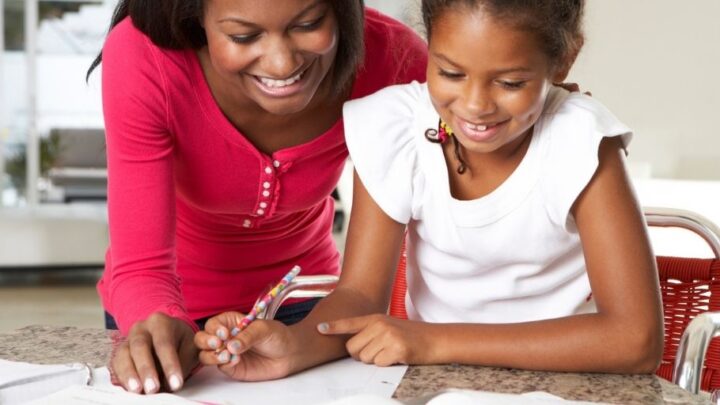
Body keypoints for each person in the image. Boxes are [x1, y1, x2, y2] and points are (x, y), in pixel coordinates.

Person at [195, 0, 664, 379]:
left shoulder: (579, 143)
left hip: (567, 383)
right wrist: (291, 346)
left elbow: (636, 340)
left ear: (564, 59)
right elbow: (359, 295)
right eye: (451, 73)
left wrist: (434, 341)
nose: (476, 106)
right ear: (429, 48)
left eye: (511, 82)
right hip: (432, 383)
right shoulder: (398, 128)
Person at [88, 0, 428, 394]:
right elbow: (142, 267)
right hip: (162, 313)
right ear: (196, 17)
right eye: (243, 36)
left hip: (310, 310)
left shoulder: (394, 61)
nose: (282, 64)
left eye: (309, 23)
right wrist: (155, 319)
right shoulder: (144, 55)